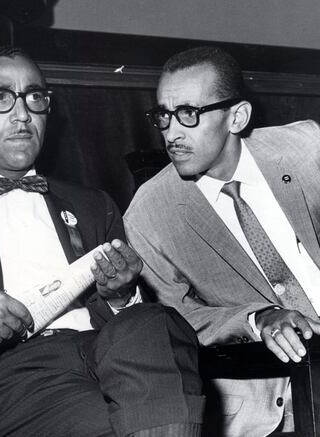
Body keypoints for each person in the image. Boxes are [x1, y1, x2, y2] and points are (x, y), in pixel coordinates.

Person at [0, 46, 205, 437]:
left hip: (109, 353)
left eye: (35, 97)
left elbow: (133, 330)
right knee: (119, 422)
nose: (22, 114)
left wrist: (122, 295)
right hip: (6, 376)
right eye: (1, 98)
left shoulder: (93, 204)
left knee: (155, 321)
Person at [124, 46, 320, 436]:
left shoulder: (307, 149)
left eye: (188, 114)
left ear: (237, 117)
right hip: (271, 398)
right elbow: (176, 320)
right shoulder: (148, 213)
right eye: (163, 115)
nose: (171, 133)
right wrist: (256, 317)